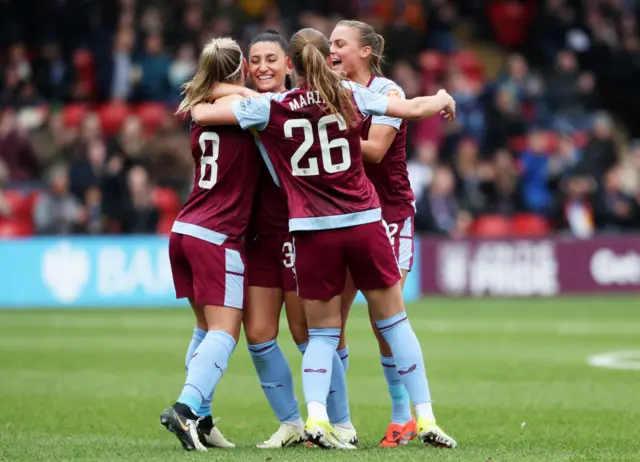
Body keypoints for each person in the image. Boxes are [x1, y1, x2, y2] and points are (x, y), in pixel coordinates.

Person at [190, 28, 457, 450]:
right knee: (395, 322)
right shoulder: (348, 92)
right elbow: (412, 107)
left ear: (292, 64)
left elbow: (203, 115)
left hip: (312, 232)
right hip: (364, 223)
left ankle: (317, 420)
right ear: (324, 59)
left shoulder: (273, 106)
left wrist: (216, 84)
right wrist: (442, 98)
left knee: (321, 335)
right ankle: (422, 418)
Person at [211, 29, 358, 448]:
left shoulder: (294, 107)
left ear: (289, 65)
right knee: (258, 334)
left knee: (306, 334)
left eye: (271, 59)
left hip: (300, 232)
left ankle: (341, 423)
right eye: (254, 60)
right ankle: (292, 423)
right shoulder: (247, 106)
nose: (262, 67)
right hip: (258, 236)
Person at [329, 19, 439, 447]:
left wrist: (325, 135)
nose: (331, 51)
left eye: (340, 44)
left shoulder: (388, 92)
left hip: (389, 215)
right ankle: (339, 424)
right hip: (344, 217)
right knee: (329, 324)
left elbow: (374, 151)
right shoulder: (331, 90)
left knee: (383, 321)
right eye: (330, 45)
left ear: (366, 51)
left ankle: (402, 417)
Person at [158, 37, 260, 452]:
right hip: (219, 235)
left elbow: (200, 95)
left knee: (204, 329)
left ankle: (201, 418)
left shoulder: (201, 109)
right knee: (224, 332)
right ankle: (184, 408)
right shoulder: (247, 110)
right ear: (240, 70)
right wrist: (246, 89)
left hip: (185, 229)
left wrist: (229, 85)